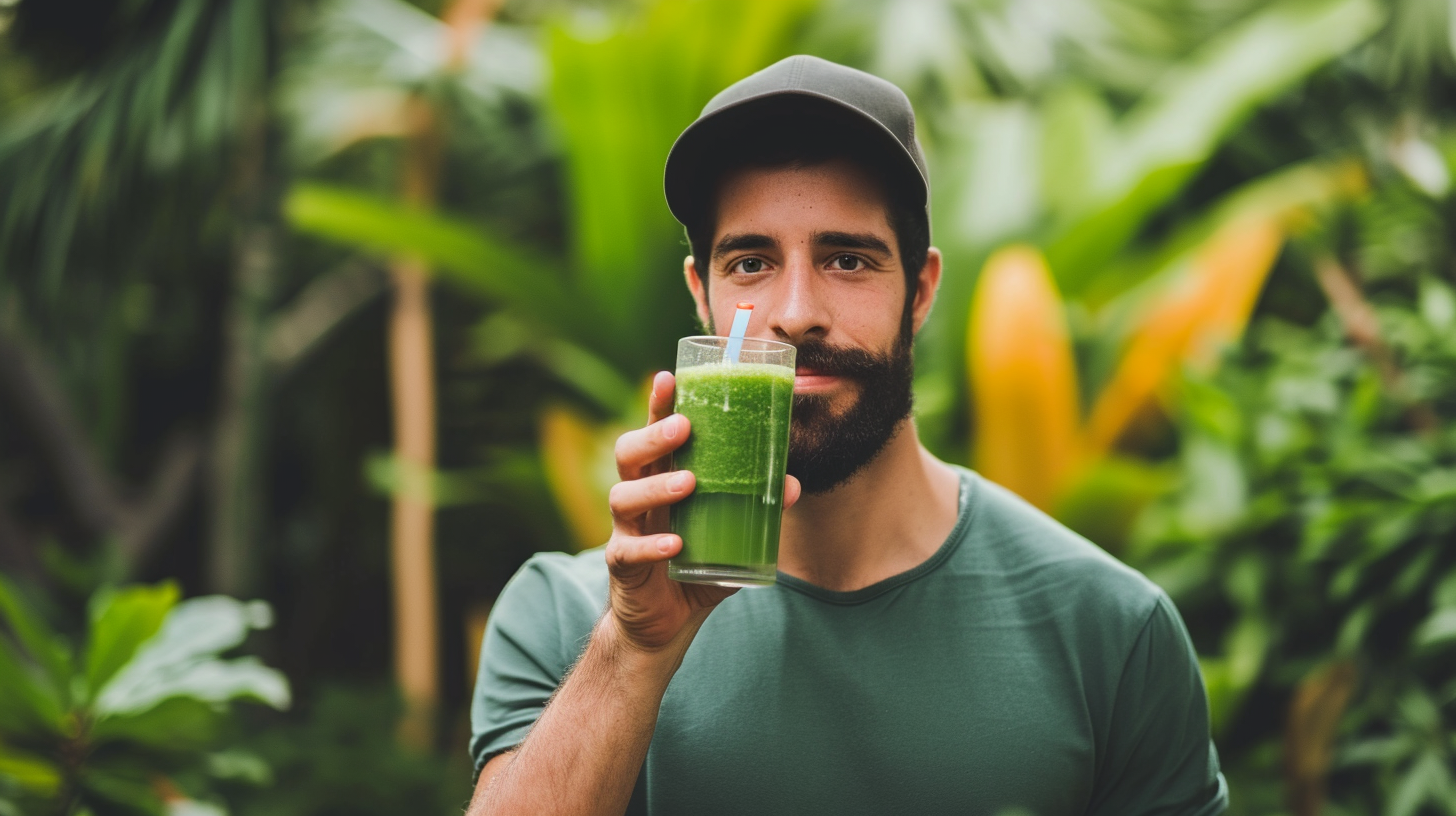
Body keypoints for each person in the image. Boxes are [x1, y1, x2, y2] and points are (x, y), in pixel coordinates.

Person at [465, 55, 1229, 816]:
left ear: (920, 291)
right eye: (752, 261)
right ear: (702, 293)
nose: (796, 312)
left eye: (847, 259)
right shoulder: (567, 619)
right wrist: (632, 653)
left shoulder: (1113, 630)